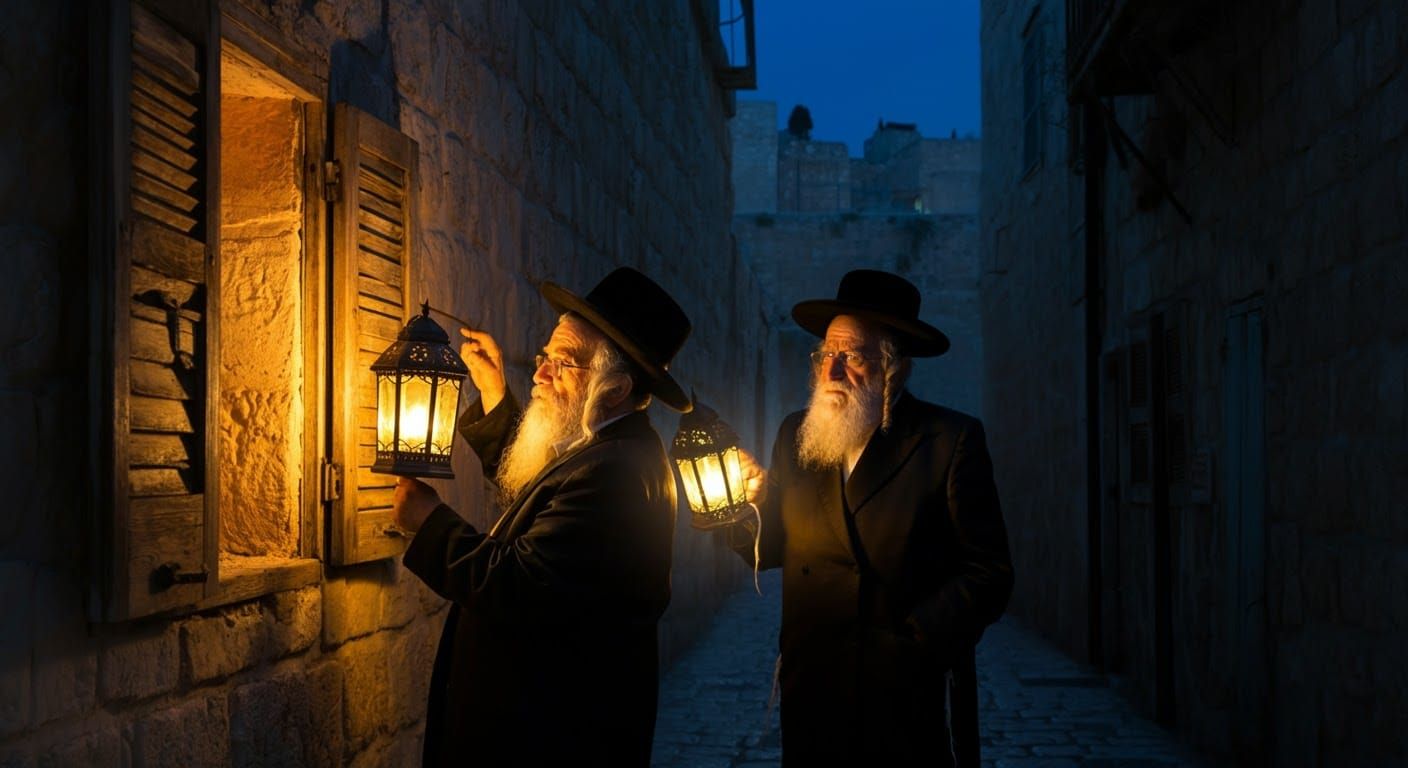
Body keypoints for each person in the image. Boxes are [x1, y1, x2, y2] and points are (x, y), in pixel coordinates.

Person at [392, 267, 692, 767]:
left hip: (551, 738)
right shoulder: (611, 448)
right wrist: (493, 393)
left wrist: (430, 523)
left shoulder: (616, 473)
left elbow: (521, 585)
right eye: (545, 356)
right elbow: (547, 497)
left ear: (614, 388)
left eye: (563, 363)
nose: (540, 373)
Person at [720, 269, 1014, 767]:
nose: (831, 371)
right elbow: (771, 550)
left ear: (894, 369)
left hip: (898, 695)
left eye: (851, 356)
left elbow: (989, 573)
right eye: (824, 355)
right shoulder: (798, 434)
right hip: (810, 686)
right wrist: (743, 504)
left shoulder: (949, 440)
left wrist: (912, 644)